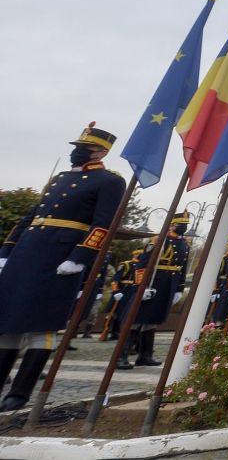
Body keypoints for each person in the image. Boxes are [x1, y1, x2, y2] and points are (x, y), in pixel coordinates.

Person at [0, 124, 126, 411]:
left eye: (85, 147)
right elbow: (33, 215)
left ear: (102, 151)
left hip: (59, 258)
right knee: (7, 322)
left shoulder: (109, 181)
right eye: (77, 146)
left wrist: (79, 257)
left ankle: (18, 393)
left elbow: (102, 224)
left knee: (41, 325)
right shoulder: (60, 178)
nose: (77, 151)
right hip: (27, 252)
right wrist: (7, 250)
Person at [118, 213, 190, 369]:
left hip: (168, 286)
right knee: (136, 320)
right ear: (172, 225)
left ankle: (145, 355)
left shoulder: (184, 244)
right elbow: (142, 264)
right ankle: (121, 356)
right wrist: (140, 287)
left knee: (152, 320)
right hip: (152, 283)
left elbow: (182, 269)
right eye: (180, 224)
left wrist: (179, 288)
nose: (184, 227)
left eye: (185, 224)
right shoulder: (159, 240)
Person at [102, 249, 139, 341]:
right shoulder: (126, 264)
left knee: (124, 313)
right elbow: (115, 280)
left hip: (132, 292)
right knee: (115, 313)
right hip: (123, 291)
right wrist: (116, 292)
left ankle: (118, 332)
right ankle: (109, 331)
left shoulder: (142, 266)